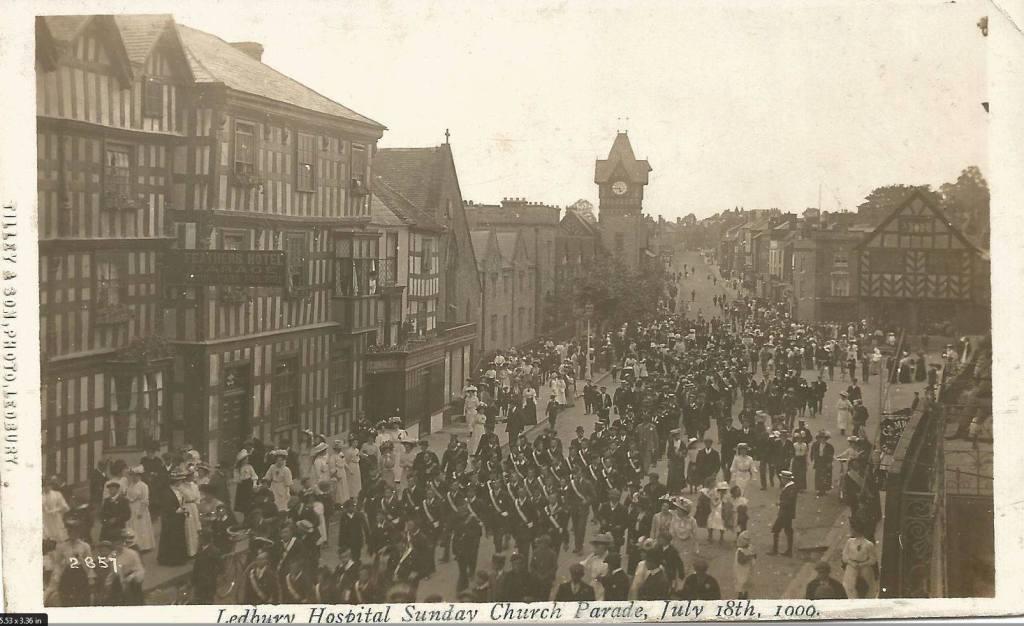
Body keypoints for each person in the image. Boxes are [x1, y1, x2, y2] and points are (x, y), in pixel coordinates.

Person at [841, 524, 878, 598]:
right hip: (851, 567)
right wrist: (851, 563)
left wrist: (862, 564)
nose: (851, 531)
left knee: (868, 588)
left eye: (852, 529)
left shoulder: (868, 544)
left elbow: (873, 559)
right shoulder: (849, 542)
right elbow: (844, 556)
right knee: (849, 586)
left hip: (865, 568)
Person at [125, 466, 155, 552]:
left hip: (139, 507)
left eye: (136, 475)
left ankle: (143, 546)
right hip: (131, 507)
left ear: (140, 476)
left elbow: (145, 500)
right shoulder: (130, 485)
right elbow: (128, 495)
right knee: (132, 526)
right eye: (132, 475)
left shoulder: (144, 486)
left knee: (140, 526)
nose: (134, 477)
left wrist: (141, 511)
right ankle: (132, 544)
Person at [769, 470, 798, 557]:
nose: (781, 480)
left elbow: (789, 502)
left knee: (777, 530)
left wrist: (780, 503)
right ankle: (788, 551)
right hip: (786, 513)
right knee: (787, 530)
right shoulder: (790, 487)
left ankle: (776, 550)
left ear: (786, 479)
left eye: (782, 478)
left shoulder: (791, 488)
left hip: (785, 513)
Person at [581, 533, 612, 600]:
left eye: (597, 545)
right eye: (595, 545)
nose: (595, 548)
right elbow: (583, 565)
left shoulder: (610, 558)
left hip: (604, 588)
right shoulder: (593, 557)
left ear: (604, 546)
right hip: (593, 585)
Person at [42, 478, 70, 543]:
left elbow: (65, 507)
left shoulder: (57, 494)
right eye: (44, 486)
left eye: (48, 485)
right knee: (45, 537)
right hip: (44, 519)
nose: (46, 487)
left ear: (51, 486)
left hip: (55, 518)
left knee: (58, 537)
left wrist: (55, 510)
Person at [810, 431, 836, 497]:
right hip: (819, 462)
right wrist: (814, 459)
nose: (823, 440)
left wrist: (830, 463)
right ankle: (819, 489)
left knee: (825, 476)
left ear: (826, 439)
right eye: (821, 438)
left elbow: (831, 455)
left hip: (826, 462)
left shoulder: (830, 447)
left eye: (824, 438)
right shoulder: (816, 445)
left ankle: (824, 490)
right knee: (818, 476)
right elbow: (813, 453)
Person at [733, 530, 756, 599]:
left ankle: (745, 595)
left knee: (746, 583)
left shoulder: (749, 548)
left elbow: (754, 556)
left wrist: (753, 555)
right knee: (741, 583)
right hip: (741, 570)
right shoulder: (740, 550)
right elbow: (741, 561)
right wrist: (750, 556)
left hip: (747, 569)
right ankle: (741, 596)